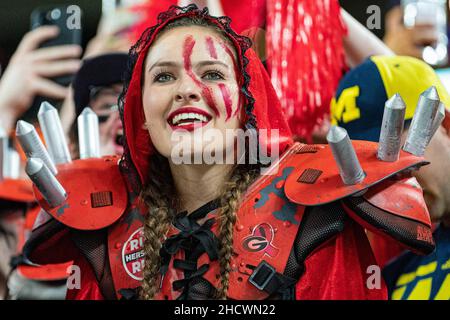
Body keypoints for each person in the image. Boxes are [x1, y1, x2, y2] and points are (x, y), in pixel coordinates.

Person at [23, 5, 434, 300]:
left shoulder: (315, 223)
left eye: (212, 73)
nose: (186, 88)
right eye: (164, 76)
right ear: (140, 112)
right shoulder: (101, 233)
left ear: (246, 106)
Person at [331, 55, 450, 299]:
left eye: (395, 149)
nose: (389, 177)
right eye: (368, 165)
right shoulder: (392, 277)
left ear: (445, 124)